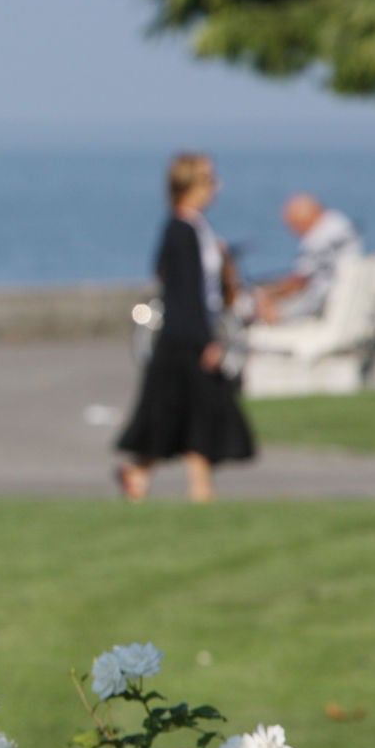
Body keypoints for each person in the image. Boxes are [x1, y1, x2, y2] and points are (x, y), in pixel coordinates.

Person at [115, 153, 257, 502]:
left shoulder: (197, 228)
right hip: (184, 338)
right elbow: (185, 293)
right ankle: (197, 488)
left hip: (189, 335)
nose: (216, 186)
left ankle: (145, 475)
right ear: (190, 185)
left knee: (179, 414)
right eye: (209, 179)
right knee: (191, 413)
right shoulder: (181, 230)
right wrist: (207, 340)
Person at [255, 193, 363, 323]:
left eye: (293, 225)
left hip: (324, 302)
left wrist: (270, 293)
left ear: (304, 219)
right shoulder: (339, 223)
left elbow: (300, 281)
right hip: (343, 297)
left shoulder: (318, 238)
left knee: (266, 313)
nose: (294, 231)